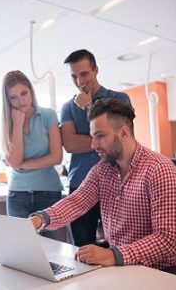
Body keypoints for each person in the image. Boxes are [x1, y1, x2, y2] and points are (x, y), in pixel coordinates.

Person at [30, 98, 176, 269]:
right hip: (120, 267)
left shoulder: (160, 170)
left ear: (124, 132)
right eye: (93, 137)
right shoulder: (102, 170)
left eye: (100, 136)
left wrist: (113, 255)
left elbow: (167, 240)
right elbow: (76, 202)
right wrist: (39, 220)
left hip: (158, 272)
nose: (93, 144)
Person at [60, 49, 131, 246]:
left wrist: (88, 107)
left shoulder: (119, 100)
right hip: (80, 184)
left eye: (84, 74)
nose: (80, 82)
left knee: (119, 246)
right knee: (83, 249)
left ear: (95, 70)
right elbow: (70, 144)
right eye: (74, 76)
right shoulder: (67, 107)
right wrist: (105, 138)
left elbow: (122, 139)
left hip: (116, 183)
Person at [1, 70, 66, 241]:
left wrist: (22, 165)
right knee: (20, 251)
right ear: (7, 100)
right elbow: (14, 160)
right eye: (13, 97)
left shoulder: (48, 115)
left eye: (24, 93)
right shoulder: (7, 123)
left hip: (48, 193)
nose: (21, 101)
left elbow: (56, 157)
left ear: (31, 91)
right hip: (18, 194)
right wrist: (17, 124)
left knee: (56, 251)